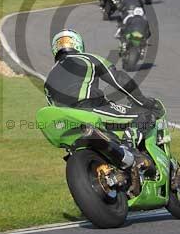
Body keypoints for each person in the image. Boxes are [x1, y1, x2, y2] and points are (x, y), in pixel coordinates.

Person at [44, 29, 160, 168]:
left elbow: (53, 108)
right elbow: (118, 79)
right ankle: (132, 150)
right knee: (145, 115)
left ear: (55, 49)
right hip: (91, 107)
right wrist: (142, 101)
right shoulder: (87, 58)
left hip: (71, 123)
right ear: (77, 44)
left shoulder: (48, 80)